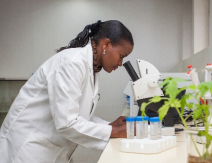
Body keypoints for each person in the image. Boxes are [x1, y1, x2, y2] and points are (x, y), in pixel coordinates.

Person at [0, 20, 134, 163]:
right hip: (27, 150)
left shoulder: (91, 68)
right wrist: (113, 131)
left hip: (47, 150)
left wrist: (109, 126)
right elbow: (67, 123)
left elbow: (78, 115)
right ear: (106, 45)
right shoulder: (72, 63)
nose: (120, 63)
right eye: (121, 56)